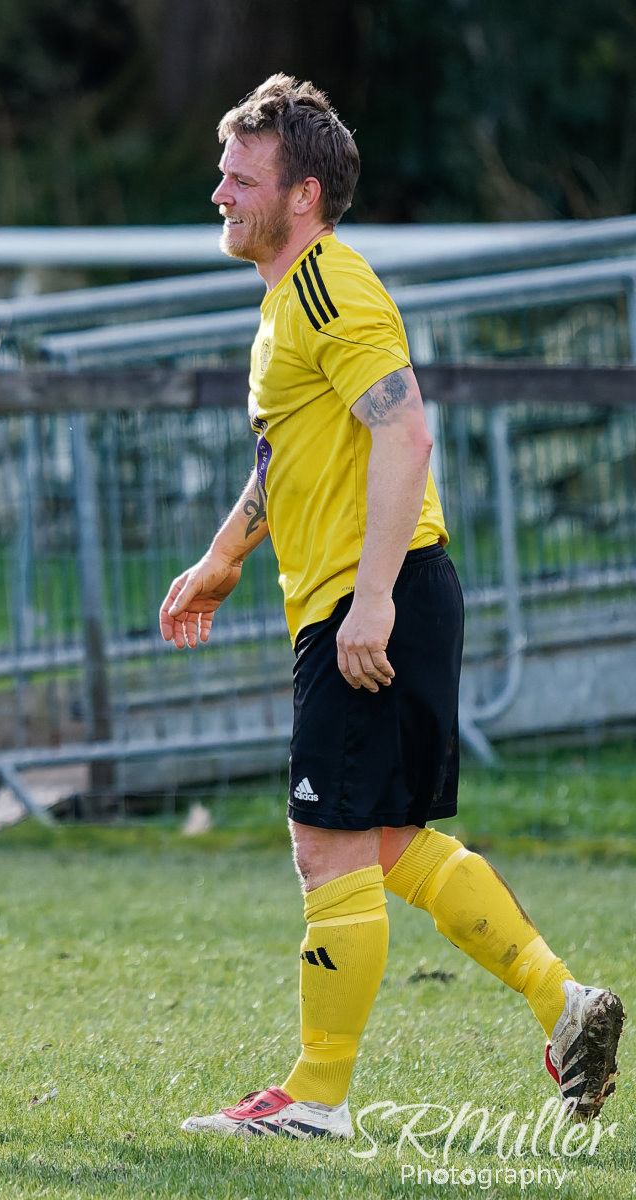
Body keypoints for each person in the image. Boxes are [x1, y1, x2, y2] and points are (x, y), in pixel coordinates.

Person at [161, 74, 623, 1139]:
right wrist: (224, 556)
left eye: (241, 179)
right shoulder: (288, 298)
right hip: (379, 592)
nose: (220, 192)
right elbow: (284, 456)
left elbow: (404, 433)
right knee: (381, 843)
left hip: (375, 596)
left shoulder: (329, 285)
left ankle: (316, 1096)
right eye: (223, 174)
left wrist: (368, 603)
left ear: (304, 195)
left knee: (324, 843)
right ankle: (563, 1004)